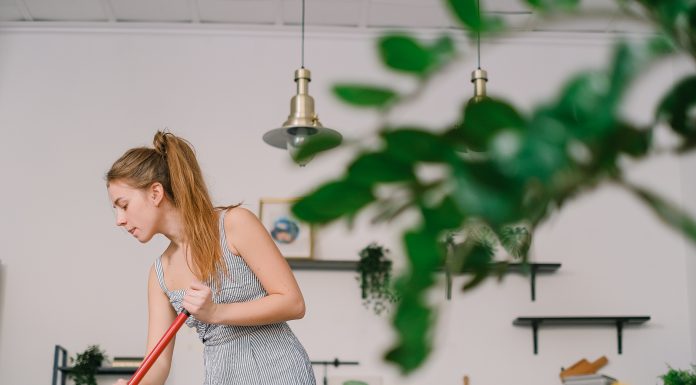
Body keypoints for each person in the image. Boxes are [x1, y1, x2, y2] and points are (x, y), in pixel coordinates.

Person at [106, 131, 316, 385]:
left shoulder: (235, 224)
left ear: (155, 193)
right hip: (222, 376)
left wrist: (215, 312)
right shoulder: (160, 274)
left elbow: (293, 303)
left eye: (124, 205)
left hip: (279, 372)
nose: (119, 220)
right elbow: (158, 361)